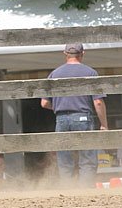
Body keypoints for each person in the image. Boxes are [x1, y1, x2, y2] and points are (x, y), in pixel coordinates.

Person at [41, 43, 109, 187]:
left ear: (65, 53)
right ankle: (85, 191)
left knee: (64, 158)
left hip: (61, 119)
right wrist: (104, 125)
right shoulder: (90, 73)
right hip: (83, 117)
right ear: (82, 53)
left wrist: (59, 108)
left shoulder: (54, 74)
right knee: (87, 158)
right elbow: (97, 102)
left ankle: (68, 190)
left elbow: (44, 103)